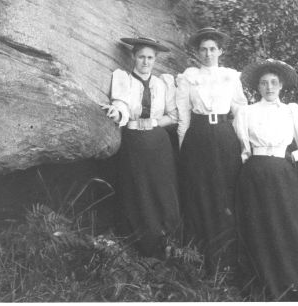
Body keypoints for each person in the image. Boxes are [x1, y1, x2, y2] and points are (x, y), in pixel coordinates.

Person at [233, 58, 298, 301]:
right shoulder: (246, 112)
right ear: (257, 87)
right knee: (256, 228)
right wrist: (252, 166)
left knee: (287, 228)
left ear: (281, 85)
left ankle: (290, 287)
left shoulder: (291, 111)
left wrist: (293, 156)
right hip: (253, 174)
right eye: (263, 83)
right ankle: (259, 287)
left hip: (282, 173)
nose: (269, 87)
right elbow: (242, 149)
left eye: (274, 82)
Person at [175, 27, 247, 275]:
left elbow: (240, 112)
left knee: (224, 193)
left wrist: (243, 147)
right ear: (197, 52)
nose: (208, 54)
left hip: (225, 138)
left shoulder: (230, 77)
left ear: (221, 51)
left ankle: (226, 260)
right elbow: (183, 116)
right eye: (203, 49)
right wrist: (184, 148)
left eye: (212, 49)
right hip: (198, 138)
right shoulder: (188, 77)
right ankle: (198, 259)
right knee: (199, 193)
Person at [103, 36, 180, 259]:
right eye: (141, 57)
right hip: (134, 141)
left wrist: (155, 123)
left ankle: (165, 240)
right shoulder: (123, 78)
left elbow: (173, 115)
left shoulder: (162, 83)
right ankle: (138, 243)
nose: (145, 62)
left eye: (150, 58)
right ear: (133, 57)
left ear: (155, 60)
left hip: (158, 143)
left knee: (160, 189)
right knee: (137, 189)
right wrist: (117, 113)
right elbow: (121, 104)